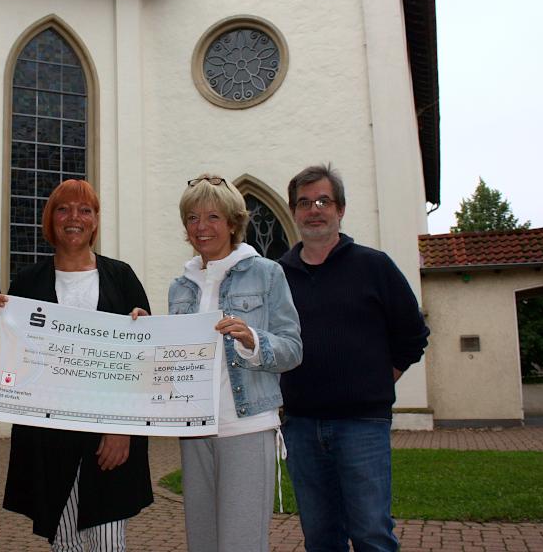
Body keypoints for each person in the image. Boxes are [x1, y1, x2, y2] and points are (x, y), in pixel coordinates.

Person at [0, 179, 152, 551]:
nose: (74, 217)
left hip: (110, 435)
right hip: (49, 438)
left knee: (107, 541)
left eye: (85, 209)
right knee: (64, 542)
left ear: (95, 221)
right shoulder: (27, 282)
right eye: (64, 209)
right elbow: (13, 363)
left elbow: (142, 364)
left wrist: (122, 431)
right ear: (50, 219)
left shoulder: (121, 278)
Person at [278, 164, 430, 552]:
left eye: (323, 201)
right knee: (321, 537)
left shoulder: (373, 266)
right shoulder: (278, 275)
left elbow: (413, 335)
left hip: (362, 423)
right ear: (294, 212)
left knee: (372, 534)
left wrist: (378, 379)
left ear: (340, 210)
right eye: (304, 203)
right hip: (301, 425)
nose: (314, 210)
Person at [167, 174, 302, 552]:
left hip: (247, 424)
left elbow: (293, 348)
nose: (201, 227)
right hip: (195, 428)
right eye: (192, 218)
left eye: (212, 217)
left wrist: (252, 340)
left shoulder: (266, 272)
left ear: (232, 222)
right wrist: (146, 334)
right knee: (204, 544)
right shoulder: (180, 286)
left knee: (240, 544)